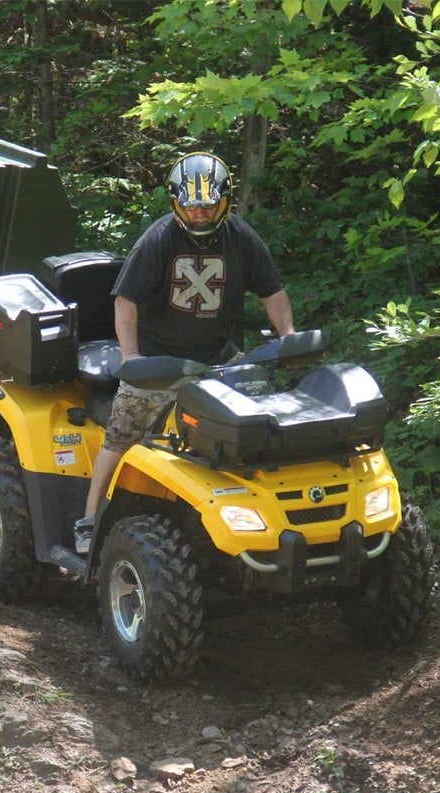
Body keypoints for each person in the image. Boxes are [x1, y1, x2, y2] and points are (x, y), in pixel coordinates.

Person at [74, 151, 295, 554]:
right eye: (191, 206)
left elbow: (272, 292)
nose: (199, 215)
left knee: (263, 424)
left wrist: (289, 334)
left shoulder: (241, 238)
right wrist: (132, 359)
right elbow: (126, 301)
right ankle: (89, 519)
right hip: (159, 361)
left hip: (218, 359)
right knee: (122, 434)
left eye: (208, 205)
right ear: (177, 202)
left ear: (224, 201)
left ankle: (265, 522)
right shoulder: (159, 239)